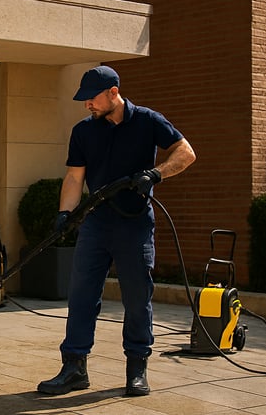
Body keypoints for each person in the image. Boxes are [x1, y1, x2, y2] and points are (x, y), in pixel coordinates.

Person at [37, 65, 196, 397]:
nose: (87, 105)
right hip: (96, 222)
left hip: (134, 223)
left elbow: (186, 152)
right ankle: (74, 368)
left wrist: (156, 173)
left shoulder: (148, 121)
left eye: (91, 98)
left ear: (113, 93)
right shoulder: (84, 131)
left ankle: (137, 368)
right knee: (81, 295)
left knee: (137, 297)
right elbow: (75, 177)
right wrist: (65, 214)